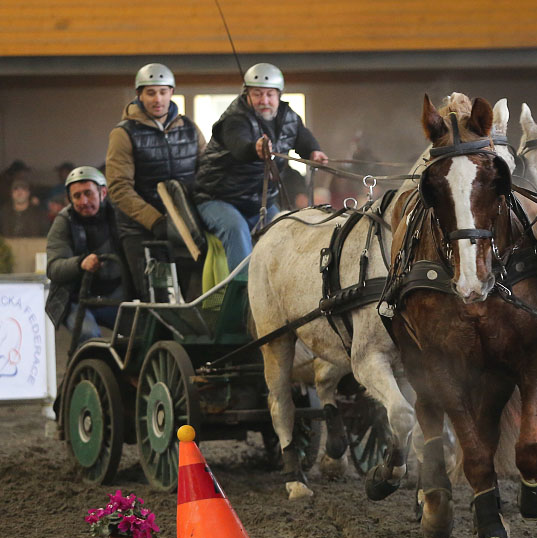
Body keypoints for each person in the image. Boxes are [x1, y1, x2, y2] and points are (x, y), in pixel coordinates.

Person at [193, 63, 328, 270]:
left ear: (279, 96)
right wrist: (254, 149)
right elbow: (239, 145)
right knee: (235, 228)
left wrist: (314, 151)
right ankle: (243, 291)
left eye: (269, 95)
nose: (264, 100)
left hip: (261, 201)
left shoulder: (288, 116)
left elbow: (302, 137)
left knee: (283, 228)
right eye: (257, 94)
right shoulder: (234, 118)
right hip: (217, 199)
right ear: (247, 95)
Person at [106, 63, 205, 298]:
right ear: (139, 95)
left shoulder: (190, 129)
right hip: (141, 231)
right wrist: (155, 221)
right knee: (157, 297)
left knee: (197, 292)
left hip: (185, 227)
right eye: (150, 93)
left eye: (162, 91)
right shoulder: (123, 133)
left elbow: (207, 172)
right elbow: (119, 188)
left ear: (171, 92)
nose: (157, 99)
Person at [45, 167, 128, 341]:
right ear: (70, 199)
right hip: (76, 299)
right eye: (77, 196)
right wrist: (80, 263)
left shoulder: (119, 215)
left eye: (88, 193)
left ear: (103, 192)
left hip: (115, 296)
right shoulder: (63, 221)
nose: (83, 201)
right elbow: (53, 268)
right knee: (88, 335)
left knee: (144, 330)